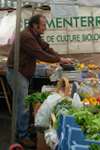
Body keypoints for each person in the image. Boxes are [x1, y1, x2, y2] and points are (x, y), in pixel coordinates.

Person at [6, 14, 72, 147]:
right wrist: (59, 60)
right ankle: (22, 135)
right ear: (35, 25)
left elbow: (45, 47)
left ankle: (22, 129)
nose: (45, 28)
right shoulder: (27, 37)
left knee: (23, 104)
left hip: (22, 73)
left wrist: (59, 57)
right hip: (17, 73)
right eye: (43, 25)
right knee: (23, 105)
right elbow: (40, 54)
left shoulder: (34, 35)